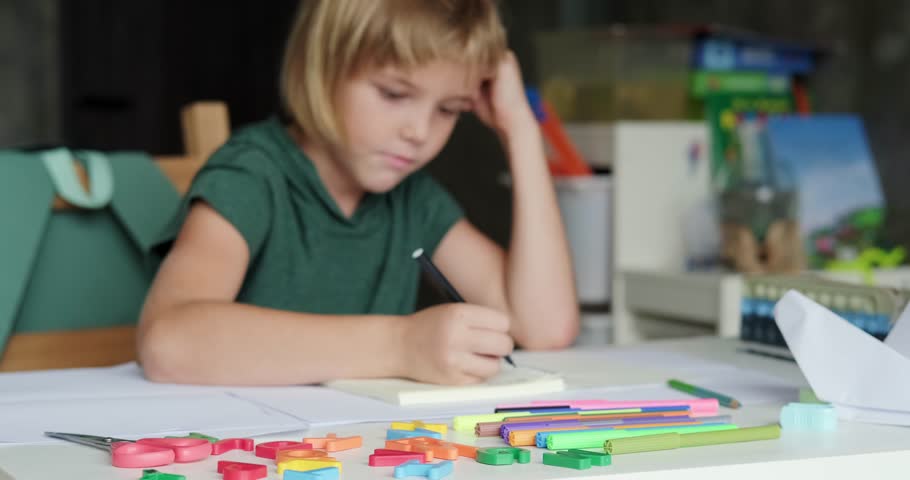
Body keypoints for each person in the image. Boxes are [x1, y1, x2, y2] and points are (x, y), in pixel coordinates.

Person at [137, 0, 578, 386]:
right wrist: (401, 345)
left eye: (449, 110)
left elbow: (545, 328)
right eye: (394, 93)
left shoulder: (413, 199)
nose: (419, 132)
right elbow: (169, 341)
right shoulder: (253, 175)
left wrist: (519, 128)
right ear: (323, 65)